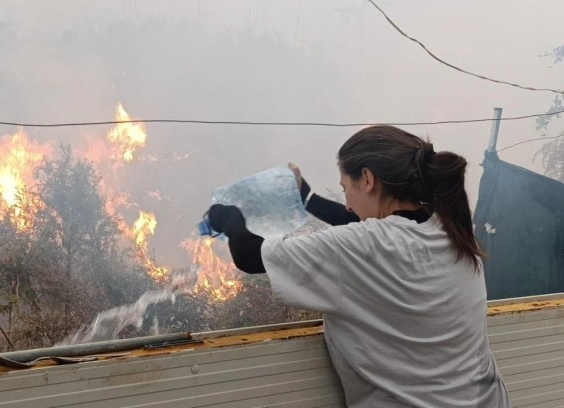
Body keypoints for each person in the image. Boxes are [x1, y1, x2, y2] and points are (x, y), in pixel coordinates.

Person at [207, 125, 511, 407]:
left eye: (345, 188)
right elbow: (367, 225)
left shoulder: (363, 247)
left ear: (367, 179)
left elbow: (248, 255)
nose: (348, 203)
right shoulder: (448, 226)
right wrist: (307, 197)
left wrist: (231, 218)